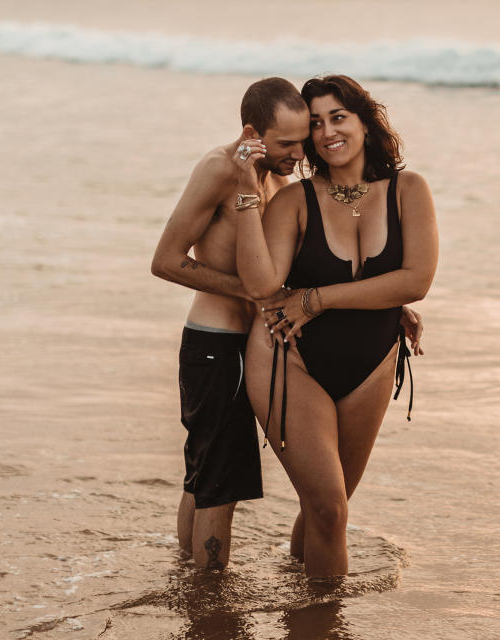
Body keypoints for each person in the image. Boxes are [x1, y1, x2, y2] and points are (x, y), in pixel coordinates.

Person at [151, 77, 424, 569]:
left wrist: (386, 303)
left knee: (206, 473)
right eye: (289, 141)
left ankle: (186, 575)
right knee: (217, 483)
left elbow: (300, 265)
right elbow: (166, 261)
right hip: (217, 341)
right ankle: (208, 601)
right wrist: (264, 295)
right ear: (254, 132)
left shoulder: (276, 174)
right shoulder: (221, 170)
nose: (303, 151)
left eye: (306, 137)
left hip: (259, 336)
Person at [231, 75, 439, 577]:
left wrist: (317, 299)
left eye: (338, 117)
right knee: (328, 506)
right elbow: (262, 285)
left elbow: (415, 281)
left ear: (366, 121)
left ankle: (300, 595)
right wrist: (245, 190)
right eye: (316, 123)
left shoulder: (408, 191)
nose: (326, 133)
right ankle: (325, 623)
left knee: (328, 505)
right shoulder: (294, 201)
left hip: (371, 364)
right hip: (291, 361)